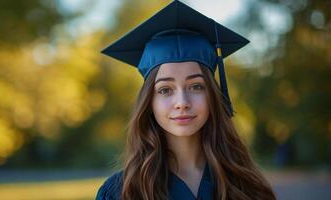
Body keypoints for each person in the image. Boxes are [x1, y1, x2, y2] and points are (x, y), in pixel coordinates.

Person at [96, 1, 276, 200]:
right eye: (165, 90)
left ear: (213, 96)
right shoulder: (122, 192)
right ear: (149, 102)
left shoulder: (245, 185)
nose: (182, 102)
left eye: (196, 86)